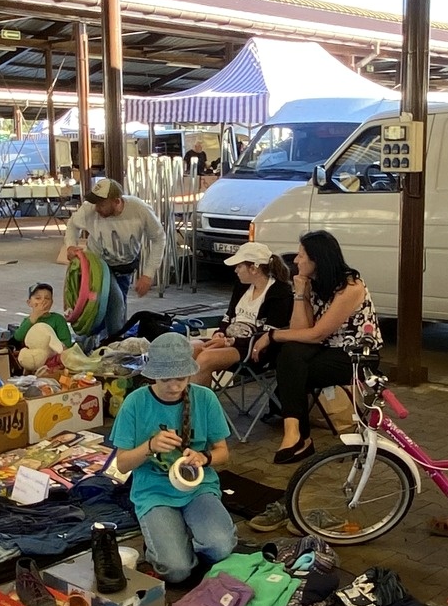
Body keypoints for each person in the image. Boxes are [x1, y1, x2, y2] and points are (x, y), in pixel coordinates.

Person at [111, 332, 234, 583]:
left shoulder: (204, 398)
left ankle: (186, 535)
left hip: (198, 487)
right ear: (153, 375)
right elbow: (122, 464)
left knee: (221, 548)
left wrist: (203, 458)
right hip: (154, 491)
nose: (175, 386)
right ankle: (170, 542)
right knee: (176, 570)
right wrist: (150, 446)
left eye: (181, 378)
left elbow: (223, 452)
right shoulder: (135, 403)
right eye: (166, 379)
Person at [252, 230, 378, 464]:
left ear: (317, 259)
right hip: (323, 349)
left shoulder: (351, 287)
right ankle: (295, 434)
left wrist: (272, 335)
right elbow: (301, 330)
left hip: (354, 355)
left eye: (301, 255)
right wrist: (301, 294)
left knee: (292, 367)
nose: (296, 260)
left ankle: (299, 437)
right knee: (291, 354)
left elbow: (316, 334)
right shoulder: (313, 283)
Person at [61, 177, 164, 341]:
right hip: (99, 265)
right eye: (95, 203)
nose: (97, 208)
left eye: (101, 204)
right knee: (115, 303)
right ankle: (112, 344)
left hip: (125, 266)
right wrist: (70, 246)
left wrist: (148, 274)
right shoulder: (89, 209)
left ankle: (102, 343)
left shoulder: (139, 209)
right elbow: (72, 225)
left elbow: (158, 238)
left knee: (116, 310)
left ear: (117, 201)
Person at [193, 240, 292, 385]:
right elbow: (228, 316)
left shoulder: (280, 292)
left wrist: (229, 341)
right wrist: (220, 333)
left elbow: (269, 332)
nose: (235, 270)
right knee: (187, 350)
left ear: (253, 269)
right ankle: (181, 397)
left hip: (255, 349)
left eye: (239, 266)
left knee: (205, 358)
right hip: (229, 341)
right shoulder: (242, 286)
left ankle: (200, 400)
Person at [11, 282, 74, 372]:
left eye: (47, 298)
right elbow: (18, 337)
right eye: (38, 298)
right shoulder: (28, 321)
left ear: (51, 302)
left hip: (52, 365)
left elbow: (66, 343)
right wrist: (34, 317)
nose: (43, 301)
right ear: (29, 303)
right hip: (31, 363)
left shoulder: (58, 319)